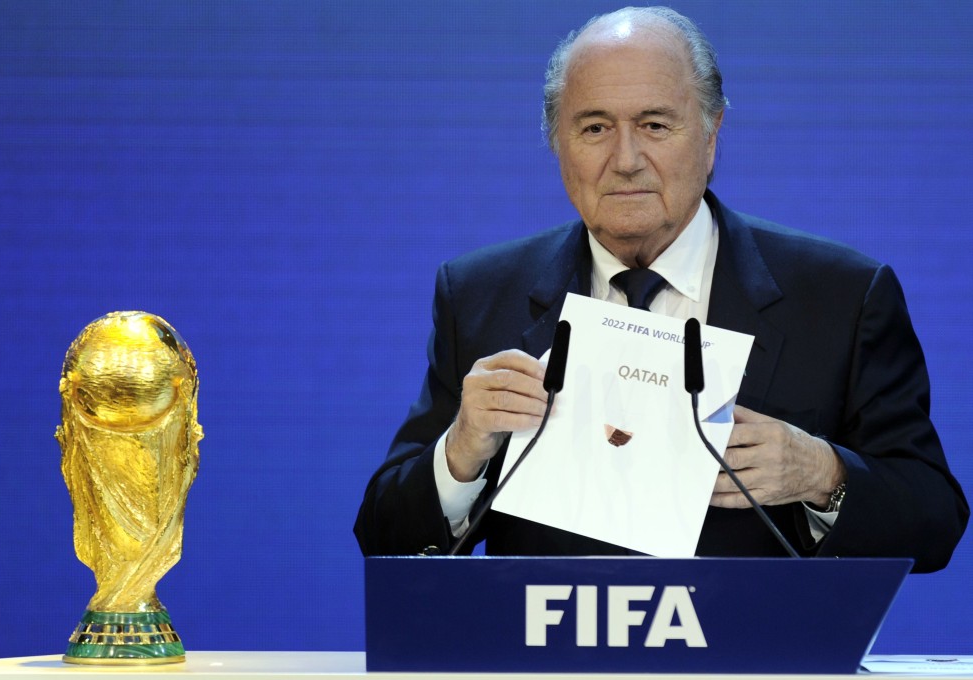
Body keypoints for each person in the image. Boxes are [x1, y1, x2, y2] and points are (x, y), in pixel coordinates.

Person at [354, 6, 968, 571]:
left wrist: (823, 475)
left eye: (654, 124)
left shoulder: (842, 297)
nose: (625, 158)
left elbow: (933, 520)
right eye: (594, 128)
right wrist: (461, 453)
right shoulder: (480, 294)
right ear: (557, 143)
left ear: (710, 133)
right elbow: (383, 537)